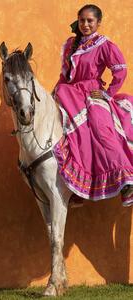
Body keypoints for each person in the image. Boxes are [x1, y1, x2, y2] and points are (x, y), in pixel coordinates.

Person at [52, 4, 133, 207]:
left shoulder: (104, 45)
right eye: (82, 20)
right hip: (70, 94)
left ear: (98, 23)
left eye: (90, 21)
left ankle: (126, 183)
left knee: (100, 128)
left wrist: (108, 94)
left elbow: (120, 71)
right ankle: (79, 186)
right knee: (70, 135)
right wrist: (54, 92)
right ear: (78, 21)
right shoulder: (71, 43)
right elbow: (65, 75)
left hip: (92, 93)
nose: (86, 24)